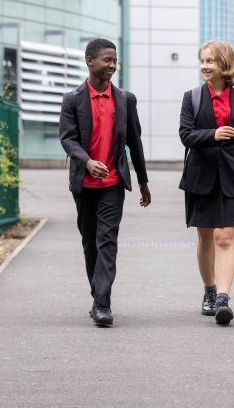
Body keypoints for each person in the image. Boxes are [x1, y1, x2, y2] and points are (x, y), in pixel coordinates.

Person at [59, 38, 151, 327]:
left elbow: (134, 142)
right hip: (84, 185)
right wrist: (87, 161)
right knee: (91, 244)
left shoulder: (125, 99)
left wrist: (143, 181)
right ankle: (98, 294)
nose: (112, 65)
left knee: (107, 241)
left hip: (113, 182)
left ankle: (102, 304)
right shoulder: (73, 99)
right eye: (106, 60)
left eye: (114, 60)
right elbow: (67, 139)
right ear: (90, 61)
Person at [178, 40, 234, 325]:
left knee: (224, 237)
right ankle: (209, 290)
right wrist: (212, 135)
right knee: (204, 238)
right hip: (200, 177)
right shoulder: (192, 98)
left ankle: (224, 298)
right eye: (202, 61)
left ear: (224, 64)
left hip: (232, 178)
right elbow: (186, 135)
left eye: (210, 61)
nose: (205, 66)